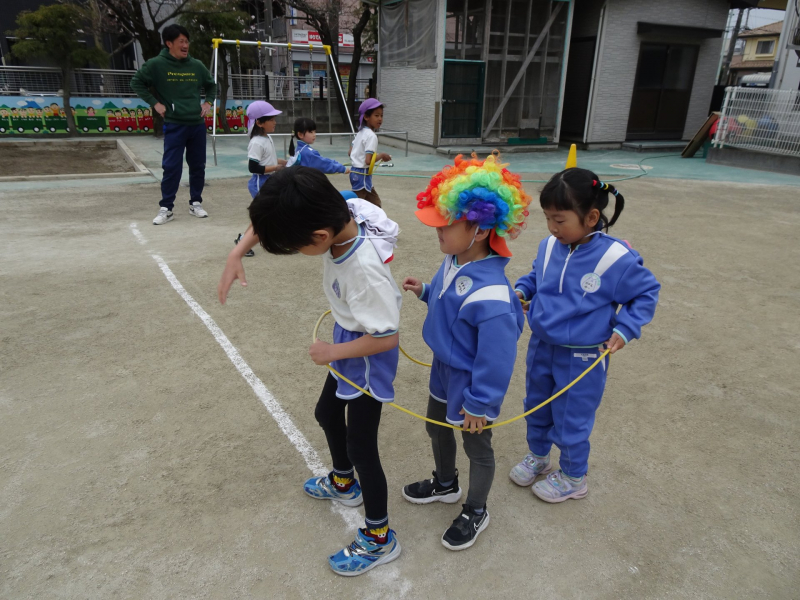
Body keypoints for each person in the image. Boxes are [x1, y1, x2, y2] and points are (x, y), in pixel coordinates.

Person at [218, 167, 403, 576]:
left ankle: (378, 537)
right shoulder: (342, 207)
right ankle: (343, 483)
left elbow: (387, 337)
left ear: (320, 237)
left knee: (362, 448)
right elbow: (276, 211)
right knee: (326, 413)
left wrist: (334, 351)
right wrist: (237, 251)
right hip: (347, 340)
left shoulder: (364, 273)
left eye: (296, 245)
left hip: (365, 356)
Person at [401, 153, 530, 551]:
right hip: (443, 368)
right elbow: (448, 303)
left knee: (477, 444)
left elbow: (497, 357)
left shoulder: (492, 292)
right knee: (435, 426)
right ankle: (444, 483)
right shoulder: (453, 259)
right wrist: (425, 291)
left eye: (446, 226)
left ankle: (476, 508)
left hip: (472, 382)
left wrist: (480, 403)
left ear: (478, 227)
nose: (437, 233)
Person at [509, 168, 660, 502]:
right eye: (548, 218)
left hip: (584, 356)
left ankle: (574, 476)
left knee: (571, 415)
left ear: (592, 217)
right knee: (536, 404)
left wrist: (626, 328)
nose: (552, 227)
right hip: (542, 345)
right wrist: (522, 290)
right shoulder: (550, 245)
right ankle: (538, 456)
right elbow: (538, 276)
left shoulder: (615, 258)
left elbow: (646, 293)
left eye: (560, 220)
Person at [130, 24, 217, 226]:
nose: (185, 45)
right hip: (175, 125)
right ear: (169, 43)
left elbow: (211, 86)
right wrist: (155, 103)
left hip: (196, 124)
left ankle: (196, 202)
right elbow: (136, 82)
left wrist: (207, 103)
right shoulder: (156, 64)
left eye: (187, 41)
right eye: (181, 41)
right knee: (171, 167)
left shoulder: (196, 65)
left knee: (198, 166)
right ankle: (166, 208)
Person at [235, 101, 287, 257]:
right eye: (271, 119)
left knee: (270, 214)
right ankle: (243, 242)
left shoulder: (267, 138)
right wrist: (275, 168)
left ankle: (269, 239)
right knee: (262, 216)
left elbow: (269, 159)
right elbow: (253, 167)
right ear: (259, 122)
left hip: (270, 181)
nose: (275, 122)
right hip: (260, 183)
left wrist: (283, 162)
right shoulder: (256, 142)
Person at [348, 99, 391, 207]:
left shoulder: (360, 133)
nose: (380, 119)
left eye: (381, 115)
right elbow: (368, 160)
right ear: (366, 117)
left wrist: (357, 158)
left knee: (375, 204)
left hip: (356, 173)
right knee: (358, 206)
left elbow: (350, 152)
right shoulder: (371, 136)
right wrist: (381, 156)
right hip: (362, 175)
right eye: (376, 115)